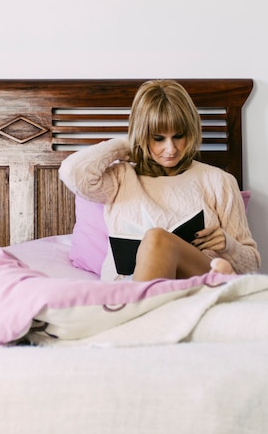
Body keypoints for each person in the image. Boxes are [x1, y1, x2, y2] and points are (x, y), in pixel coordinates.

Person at [59, 79, 260, 282]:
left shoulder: (219, 181)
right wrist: (126, 145)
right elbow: (72, 172)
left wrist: (228, 245)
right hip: (127, 284)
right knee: (155, 240)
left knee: (157, 238)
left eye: (179, 136)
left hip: (193, 284)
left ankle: (141, 307)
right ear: (143, 135)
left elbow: (251, 266)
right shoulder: (120, 178)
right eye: (158, 138)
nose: (171, 149)